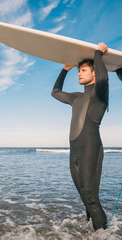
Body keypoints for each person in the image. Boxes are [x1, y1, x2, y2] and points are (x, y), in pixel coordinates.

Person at [51, 43, 110, 230]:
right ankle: (93, 233)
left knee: (91, 198)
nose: (79, 73)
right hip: (74, 152)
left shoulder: (100, 95)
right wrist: (65, 70)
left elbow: (103, 77)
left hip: (91, 149)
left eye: (83, 70)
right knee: (86, 199)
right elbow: (55, 93)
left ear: (93, 73)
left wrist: (98, 54)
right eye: (79, 71)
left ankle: (104, 233)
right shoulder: (76, 97)